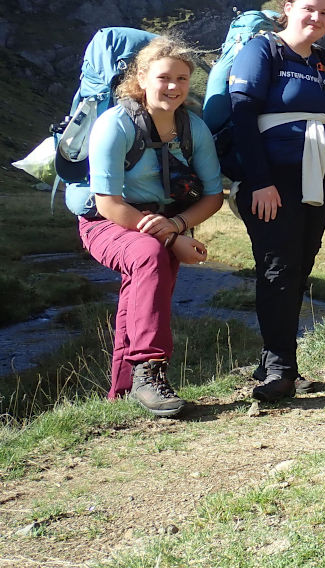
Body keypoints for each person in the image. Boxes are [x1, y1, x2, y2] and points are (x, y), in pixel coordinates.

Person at [79, 37, 223, 417]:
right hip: (107, 222)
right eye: (164, 77)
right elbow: (107, 202)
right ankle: (150, 371)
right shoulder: (116, 124)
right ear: (142, 78)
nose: (173, 87)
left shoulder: (193, 129)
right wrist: (173, 238)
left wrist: (176, 224)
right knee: (148, 255)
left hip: (165, 224)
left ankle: (124, 392)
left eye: (182, 78)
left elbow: (213, 195)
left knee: (142, 290)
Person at [229, 0, 325, 402]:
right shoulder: (262, 50)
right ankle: (279, 369)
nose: (317, 18)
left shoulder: (324, 63)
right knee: (278, 270)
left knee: (299, 271)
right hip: (272, 182)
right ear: (288, 7)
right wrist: (260, 181)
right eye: (309, 9)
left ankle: (278, 362)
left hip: (315, 183)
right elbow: (243, 114)